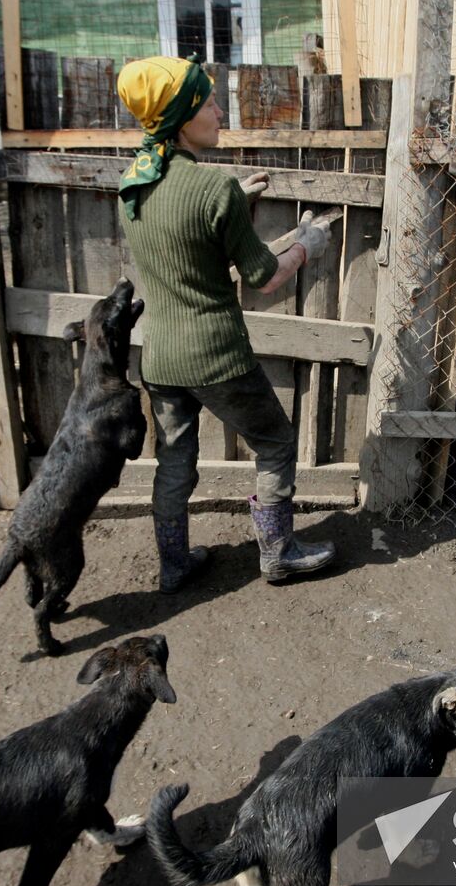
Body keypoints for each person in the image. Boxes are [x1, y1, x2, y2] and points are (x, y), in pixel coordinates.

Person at [116, 55, 335, 592]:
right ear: (183, 115)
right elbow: (262, 276)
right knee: (277, 443)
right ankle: (279, 554)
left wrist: (237, 199)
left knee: (174, 461)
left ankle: (173, 565)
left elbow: (180, 235)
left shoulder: (134, 185)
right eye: (209, 101)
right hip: (215, 354)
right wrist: (308, 245)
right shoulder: (213, 189)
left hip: (161, 356)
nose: (219, 110)